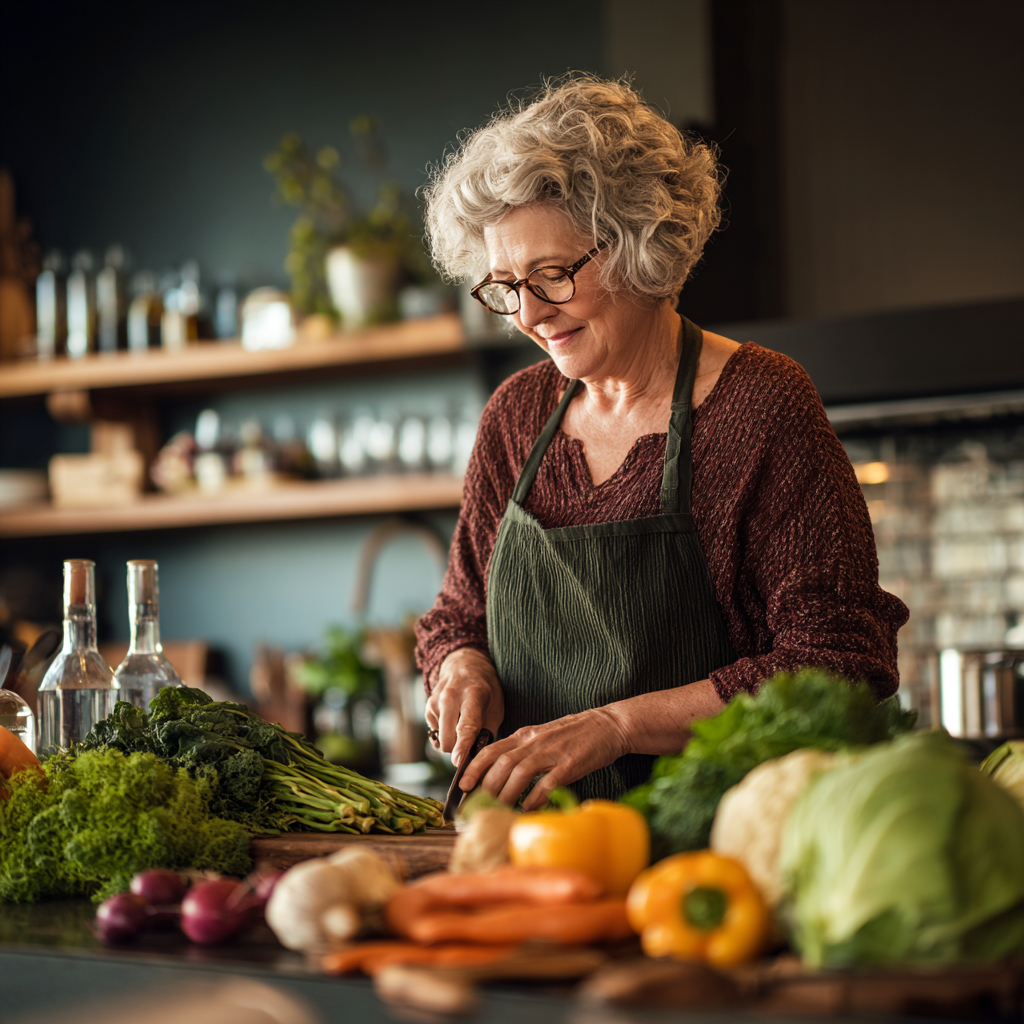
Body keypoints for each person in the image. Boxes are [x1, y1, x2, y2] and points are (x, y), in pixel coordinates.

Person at [414, 76, 908, 810]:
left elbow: (839, 663)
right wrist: (460, 668)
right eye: (504, 285)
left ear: (638, 243)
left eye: (552, 275)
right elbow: (458, 614)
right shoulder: (516, 416)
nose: (528, 314)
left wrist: (618, 726)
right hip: (528, 846)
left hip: (714, 850)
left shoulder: (760, 406)